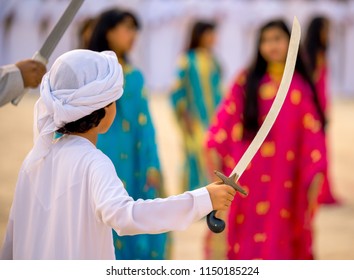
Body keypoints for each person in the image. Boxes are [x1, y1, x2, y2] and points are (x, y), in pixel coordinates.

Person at [0, 49, 235, 260]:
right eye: (115, 100)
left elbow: (11, 240)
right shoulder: (93, 162)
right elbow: (126, 216)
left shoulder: (34, 158)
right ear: (104, 109)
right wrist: (203, 199)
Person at [205, 19, 327, 260]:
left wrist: (315, 172)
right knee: (246, 235)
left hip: (285, 179)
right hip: (247, 179)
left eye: (278, 39)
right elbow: (223, 123)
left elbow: (313, 137)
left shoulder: (300, 87)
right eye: (266, 40)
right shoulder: (246, 81)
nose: (272, 45)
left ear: (290, 44)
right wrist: (215, 154)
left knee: (280, 234)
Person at [88, 9, 169, 260]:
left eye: (135, 29)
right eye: (126, 28)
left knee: (132, 219)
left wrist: (152, 164)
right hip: (98, 156)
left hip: (132, 163)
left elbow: (145, 126)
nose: (132, 35)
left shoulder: (134, 76)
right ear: (108, 31)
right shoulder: (90, 73)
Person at [170, 20, 223, 192]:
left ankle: (214, 199)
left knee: (216, 156)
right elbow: (177, 92)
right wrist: (185, 116)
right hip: (195, 120)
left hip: (215, 120)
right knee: (197, 156)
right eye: (208, 34)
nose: (212, 38)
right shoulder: (187, 60)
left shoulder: (214, 61)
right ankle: (196, 197)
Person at [304, 16, 338, 205]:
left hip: (319, 106)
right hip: (315, 108)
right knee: (319, 150)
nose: (328, 35)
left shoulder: (312, 54)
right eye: (326, 30)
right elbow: (314, 84)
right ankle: (320, 191)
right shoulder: (316, 55)